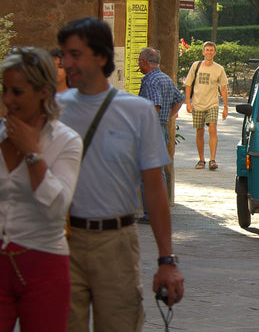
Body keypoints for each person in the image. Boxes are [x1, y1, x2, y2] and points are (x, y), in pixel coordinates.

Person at [57, 17, 184, 331]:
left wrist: (166, 260)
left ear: (101, 57)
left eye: (75, 54)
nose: (66, 62)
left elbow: (154, 189)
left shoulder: (135, 111)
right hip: (62, 243)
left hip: (116, 244)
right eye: (64, 55)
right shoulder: (53, 109)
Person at [0, 47, 82, 332]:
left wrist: (33, 154)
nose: (7, 99)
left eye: (17, 92)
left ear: (43, 93)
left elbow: (57, 209)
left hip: (43, 264)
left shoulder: (66, 141)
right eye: (4, 89)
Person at [137, 46, 185, 223]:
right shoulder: (165, 78)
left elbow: (154, 106)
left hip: (152, 129)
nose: (139, 65)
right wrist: (166, 117)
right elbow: (179, 100)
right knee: (158, 172)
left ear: (144, 62)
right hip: (162, 127)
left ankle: (151, 213)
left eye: (139, 61)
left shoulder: (149, 81)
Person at [184, 41, 228, 171]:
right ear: (203, 52)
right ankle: (201, 159)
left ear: (214, 53)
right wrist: (188, 102)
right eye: (207, 50)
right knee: (200, 131)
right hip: (197, 103)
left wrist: (226, 107)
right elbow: (188, 84)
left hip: (212, 104)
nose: (209, 52)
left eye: (211, 50)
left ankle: (212, 159)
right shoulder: (196, 66)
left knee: (212, 129)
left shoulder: (219, 69)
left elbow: (223, 88)